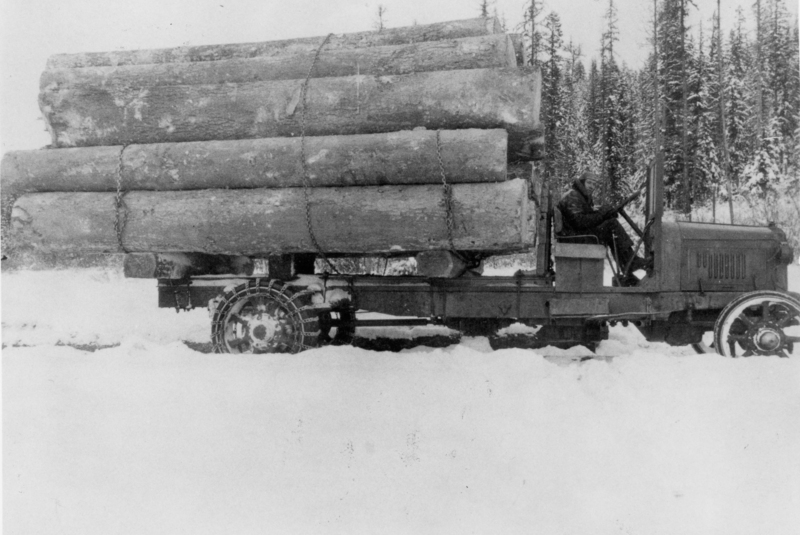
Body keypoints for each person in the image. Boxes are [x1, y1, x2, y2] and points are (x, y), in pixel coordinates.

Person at [557, 171, 649, 282]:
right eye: (589, 183)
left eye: (594, 184)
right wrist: (603, 215)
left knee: (610, 224)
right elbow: (580, 222)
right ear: (582, 182)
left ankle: (628, 269)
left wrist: (603, 214)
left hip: (576, 235)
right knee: (611, 224)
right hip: (574, 237)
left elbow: (585, 217)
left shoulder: (580, 196)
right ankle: (631, 262)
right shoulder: (573, 195)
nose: (592, 187)